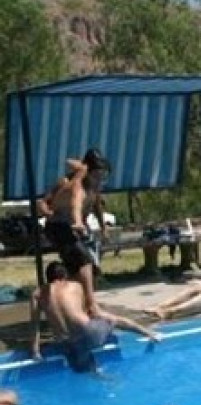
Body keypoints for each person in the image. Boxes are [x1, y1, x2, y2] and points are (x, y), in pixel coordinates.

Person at [31, 262, 162, 373]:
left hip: (65, 343)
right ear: (64, 276)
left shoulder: (37, 293)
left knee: (85, 369)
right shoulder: (75, 285)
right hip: (89, 334)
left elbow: (34, 325)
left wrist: (35, 351)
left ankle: (100, 374)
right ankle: (151, 333)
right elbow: (89, 312)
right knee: (112, 320)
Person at [37, 149, 112, 317]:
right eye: (97, 174)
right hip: (58, 226)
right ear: (88, 170)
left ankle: (76, 305)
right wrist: (48, 212)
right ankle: (91, 306)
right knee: (83, 261)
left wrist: (103, 227)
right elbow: (45, 203)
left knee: (87, 269)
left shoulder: (93, 185)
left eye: (102, 175)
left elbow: (97, 206)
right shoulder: (67, 183)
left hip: (76, 229)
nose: (99, 179)